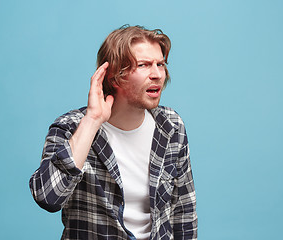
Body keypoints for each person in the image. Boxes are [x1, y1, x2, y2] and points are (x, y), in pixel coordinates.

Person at [29, 25, 198, 240]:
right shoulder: (71, 128)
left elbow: (184, 211)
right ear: (114, 76)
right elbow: (48, 197)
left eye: (160, 64)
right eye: (144, 65)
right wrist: (91, 121)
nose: (157, 75)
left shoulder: (171, 126)